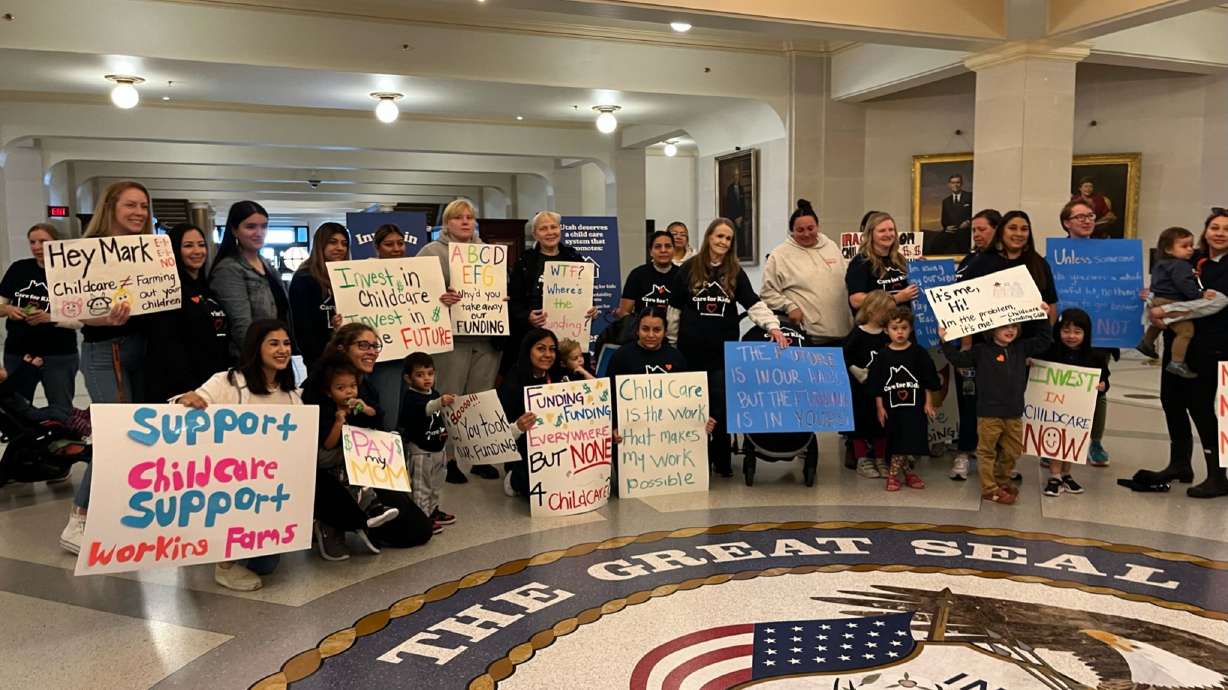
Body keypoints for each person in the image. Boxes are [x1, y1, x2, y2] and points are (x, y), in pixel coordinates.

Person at [59, 181, 153, 555]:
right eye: (131, 205)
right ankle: (78, 519)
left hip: (141, 351)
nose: (138, 213)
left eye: (144, 206)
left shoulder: (149, 252)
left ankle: (116, 517)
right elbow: (71, 311)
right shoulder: (84, 252)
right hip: (104, 353)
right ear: (111, 206)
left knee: (136, 440)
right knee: (115, 438)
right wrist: (102, 319)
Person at [175, 319, 299, 591]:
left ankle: (232, 545)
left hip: (267, 487)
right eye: (274, 343)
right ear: (257, 347)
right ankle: (224, 563)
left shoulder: (291, 395)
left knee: (266, 565)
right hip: (225, 481)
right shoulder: (227, 382)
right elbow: (182, 409)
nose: (283, 350)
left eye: (287, 343)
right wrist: (185, 400)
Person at [668, 218, 788, 477]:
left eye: (728, 238)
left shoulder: (735, 272)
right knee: (693, 406)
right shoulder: (689, 269)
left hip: (723, 353)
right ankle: (693, 461)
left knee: (720, 405)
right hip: (690, 351)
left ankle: (722, 460)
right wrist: (670, 345)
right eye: (719, 236)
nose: (723, 242)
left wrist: (773, 327)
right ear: (709, 236)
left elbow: (753, 304)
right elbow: (674, 310)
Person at [305, 323, 436, 544]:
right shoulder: (316, 387)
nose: (372, 351)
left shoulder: (366, 387)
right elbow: (319, 451)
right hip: (329, 475)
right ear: (341, 348)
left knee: (420, 530)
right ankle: (331, 522)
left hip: (366, 467)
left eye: (375, 345)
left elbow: (378, 428)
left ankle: (364, 521)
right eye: (363, 345)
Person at [1136, 210, 1228, 498]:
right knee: (1172, 401)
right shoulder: (1192, 259)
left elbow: (1217, 303)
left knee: (1201, 407)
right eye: (1214, 227)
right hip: (1176, 342)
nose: (1220, 233)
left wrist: (1168, 312)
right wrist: (1154, 304)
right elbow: (1166, 290)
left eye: (1227, 229)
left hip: (1210, 345)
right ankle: (1179, 464)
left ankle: (1218, 474)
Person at [417, 199, 502, 483]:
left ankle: (480, 456)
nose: (465, 222)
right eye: (458, 218)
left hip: (486, 337)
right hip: (450, 340)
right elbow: (417, 294)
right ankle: (449, 458)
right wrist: (440, 297)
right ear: (447, 223)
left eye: (470, 217)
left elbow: (499, 287)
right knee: (450, 397)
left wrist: (501, 298)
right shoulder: (431, 252)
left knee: (480, 399)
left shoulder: (489, 254)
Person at [940, 315, 1052, 505]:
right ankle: (989, 488)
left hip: (1014, 412)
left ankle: (1001, 480)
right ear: (991, 329)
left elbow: (1044, 340)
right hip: (989, 413)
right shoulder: (981, 351)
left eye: (1014, 326)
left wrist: (1042, 317)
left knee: (1013, 451)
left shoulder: (1021, 348)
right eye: (1004, 327)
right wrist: (945, 341)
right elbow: (958, 359)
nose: (1010, 330)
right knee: (986, 451)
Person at [311, 354, 402, 560]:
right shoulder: (330, 411)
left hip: (352, 459)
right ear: (328, 392)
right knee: (349, 486)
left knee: (360, 481)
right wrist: (338, 422)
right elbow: (327, 444)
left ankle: (374, 510)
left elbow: (373, 419)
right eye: (340, 388)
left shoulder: (357, 406)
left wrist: (366, 409)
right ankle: (342, 526)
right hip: (331, 463)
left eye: (352, 386)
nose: (348, 391)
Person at [144, 223, 233, 404]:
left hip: (213, 383)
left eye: (201, 245)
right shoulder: (167, 291)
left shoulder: (207, 289)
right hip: (185, 390)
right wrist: (185, 389)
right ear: (174, 249)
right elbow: (166, 345)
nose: (197, 251)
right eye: (188, 245)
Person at [1059, 199, 1116, 465]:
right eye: (1079, 216)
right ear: (1066, 222)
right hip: (1064, 332)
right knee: (1059, 386)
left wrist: (1139, 294)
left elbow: (1120, 284)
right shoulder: (1056, 255)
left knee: (1098, 387)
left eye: (1090, 216)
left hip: (1099, 335)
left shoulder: (1110, 252)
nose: (1086, 220)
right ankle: (1057, 441)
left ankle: (1095, 441)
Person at [0, 223, 80, 411]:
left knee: (60, 408)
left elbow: (80, 320)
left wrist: (49, 317)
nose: (36, 247)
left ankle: (61, 439)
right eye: (32, 242)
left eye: (43, 241)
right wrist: (9, 309)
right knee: (16, 406)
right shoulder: (19, 269)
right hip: (18, 352)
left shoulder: (70, 272)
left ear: (57, 243)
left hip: (58, 353)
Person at [948, 208, 1001, 481]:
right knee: (967, 400)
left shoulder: (999, 261)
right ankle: (964, 451)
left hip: (990, 345)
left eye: (983, 229)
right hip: (965, 344)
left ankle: (993, 457)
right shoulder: (970, 259)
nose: (977, 234)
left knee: (991, 403)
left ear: (996, 230)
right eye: (974, 230)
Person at [507, 210, 594, 370]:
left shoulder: (575, 258)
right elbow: (513, 300)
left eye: (553, 227)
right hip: (533, 338)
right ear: (535, 234)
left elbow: (585, 295)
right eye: (543, 229)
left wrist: (590, 310)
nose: (550, 232)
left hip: (569, 338)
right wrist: (527, 316)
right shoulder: (525, 262)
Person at [760, 199, 852, 346]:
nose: (807, 234)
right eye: (800, 230)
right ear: (792, 231)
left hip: (844, 333)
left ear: (818, 227)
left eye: (811, 228)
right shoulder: (779, 255)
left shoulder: (831, 246)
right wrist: (789, 306)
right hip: (809, 337)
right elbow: (767, 293)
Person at [1037, 309, 1108, 498]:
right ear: (1058, 331)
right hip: (1054, 408)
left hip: (1079, 411)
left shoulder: (1095, 357)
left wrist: (1102, 386)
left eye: (1077, 332)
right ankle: (1054, 475)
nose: (1071, 336)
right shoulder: (1050, 352)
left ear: (1086, 334)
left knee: (1071, 441)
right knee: (1055, 439)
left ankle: (1066, 474)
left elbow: (1105, 379)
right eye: (1066, 331)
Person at [868, 308, 940, 492]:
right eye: (894, 328)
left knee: (910, 439)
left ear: (911, 329)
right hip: (892, 408)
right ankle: (895, 475)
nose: (899, 332)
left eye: (904, 328)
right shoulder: (882, 356)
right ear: (886, 330)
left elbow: (927, 380)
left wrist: (928, 402)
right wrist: (879, 407)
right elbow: (876, 384)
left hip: (915, 407)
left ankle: (905, 473)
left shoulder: (919, 353)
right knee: (897, 440)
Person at [498, 328, 572, 498]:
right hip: (524, 450)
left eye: (552, 349)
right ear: (528, 350)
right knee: (532, 489)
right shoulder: (514, 380)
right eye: (541, 348)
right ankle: (513, 477)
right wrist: (517, 427)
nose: (547, 354)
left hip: (557, 445)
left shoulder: (560, 376)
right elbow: (498, 434)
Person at [211, 200, 289, 358]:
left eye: (264, 226)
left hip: (276, 354)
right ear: (234, 230)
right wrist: (263, 358)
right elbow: (242, 328)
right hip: (250, 360)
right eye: (251, 226)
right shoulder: (229, 269)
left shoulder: (268, 266)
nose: (259, 232)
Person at [961, 210, 1058, 328]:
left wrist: (1049, 338)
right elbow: (965, 305)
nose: (1019, 233)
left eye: (1024, 229)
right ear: (1001, 231)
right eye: (1012, 228)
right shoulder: (981, 262)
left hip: (1033, 341)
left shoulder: (1039, 264)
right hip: (989, 342)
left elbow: (1051, 303)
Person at [1136, 227, 1206, 379]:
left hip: (1158, 299)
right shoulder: (1181, 265)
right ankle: (1177, 362)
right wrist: (1198, 295)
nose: (1190, 250)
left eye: (1191, 245)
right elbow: (1184, 284)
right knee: (1186, 331)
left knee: (1159, 323)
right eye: (1184, 246)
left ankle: (1146, 342)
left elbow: (1154, 284)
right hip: (1172, 301)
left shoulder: (1160, 264)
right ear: (1168, 249)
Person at [399, 352, 456, 533]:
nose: (426, 379)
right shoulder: (411, 397)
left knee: (436, 485)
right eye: (420, 375)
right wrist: (440, 402)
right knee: (421, 487)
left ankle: (432, 511)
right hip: (421, 450)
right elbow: (428, 408)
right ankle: (421, 518)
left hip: (438, 448)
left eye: (430, 373)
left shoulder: (435, 393)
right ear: (408, 378)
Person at [843, 290, 894, 479]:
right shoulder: (857, 333)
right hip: (860, 390)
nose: (889, 316)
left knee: (881, 423)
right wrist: (856, 370)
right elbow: (843, 355)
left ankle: (880, 458)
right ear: (872, 311)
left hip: (881, 390)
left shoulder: (886, 335)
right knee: (860, 425)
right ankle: (862, 459)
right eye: (886, 311)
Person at [366, 223, 411, 434]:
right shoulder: (365, 272)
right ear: (377, 247)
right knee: (387, 411)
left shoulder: (416, 273)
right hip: (383, 357)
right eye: (389, 244)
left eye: (400, 243)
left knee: (405, 411)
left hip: (410, 353)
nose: (396, 248)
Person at [290, 222, 349, 371]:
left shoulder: (349, 275)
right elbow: (302, 326)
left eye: (344, 243)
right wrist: (314, 359)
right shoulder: (304, 277)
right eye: (333, 242)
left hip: (348, 354)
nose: (340, 248)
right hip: (319, 357)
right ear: (320, 244)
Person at [845, 211, 917, 313]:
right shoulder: (860, 262)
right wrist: (895, 299)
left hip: (902, 325)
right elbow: (856, 300)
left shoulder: (900, 259)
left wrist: (920, 269)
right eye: (882, 231)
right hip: (876, 326)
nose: (888, 234)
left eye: (891, 230)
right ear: (871, 234)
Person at [607, 307, 689, 376]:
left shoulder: (676, 358)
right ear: (637, 330)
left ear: (665, 332)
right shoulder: (621, 357)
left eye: (657, 330)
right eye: (645, 329)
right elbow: (611, 390)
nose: (650, 335)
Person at [617, 231, 679, 317]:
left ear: (674, 250)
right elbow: (624, 313)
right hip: (641, 328)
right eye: (658, 247)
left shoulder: (682, 275)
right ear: (650, 252)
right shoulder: (637, 274)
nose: (663, 250)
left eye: (668, 246)